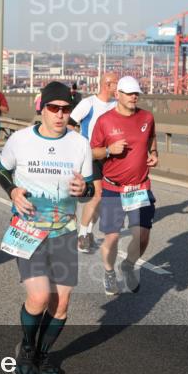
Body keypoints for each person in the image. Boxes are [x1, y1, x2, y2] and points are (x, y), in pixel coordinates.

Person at [0, 81, 92, 374]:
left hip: (64, 231)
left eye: (65, 109)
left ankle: (44, 353)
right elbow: (1, 170)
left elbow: (89, 190)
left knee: (60, 303)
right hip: (28, 230)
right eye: (54, 108)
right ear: (43, 108)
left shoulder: (80, 144)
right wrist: (12, 192)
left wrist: (84, 188)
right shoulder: (20, 140)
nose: (60, 114)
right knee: (39, 298)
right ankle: (26, 348)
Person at [90, 76, 158, 296]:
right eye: (129, 93)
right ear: (117, 94)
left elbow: (151, 138)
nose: (134, 97)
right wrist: (109, 150)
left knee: (143, 236)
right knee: (112, 238)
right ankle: (109, 272)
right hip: (113, 188)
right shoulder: (105, 121)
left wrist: (154, 153)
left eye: (136, 93)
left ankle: (128, 265)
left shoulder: (147, 117)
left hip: (139, 187)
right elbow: (92, 152)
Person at [70, 72, 118, 253]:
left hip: (110, 157)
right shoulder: (88, 103)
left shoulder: (116, 105)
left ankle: (89, 231)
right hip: (91, 156)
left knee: (103, 199)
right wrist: (76, 146)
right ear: (107, 84)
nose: (118, 87)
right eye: (116, 84)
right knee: (97, 195)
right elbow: (70, 123)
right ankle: (81, 236)